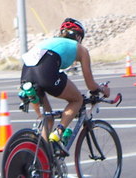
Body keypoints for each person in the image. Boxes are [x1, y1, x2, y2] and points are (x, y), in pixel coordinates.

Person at [21, 18, 110, 156]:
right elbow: (91, 85)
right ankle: (59, 133)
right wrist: (103, 90)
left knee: (48, 118)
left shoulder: (51, 41)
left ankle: (42, 161)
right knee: (77, 100)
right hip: (46, 71)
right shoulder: (80, 49)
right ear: (79, 37)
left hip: (26, 73)